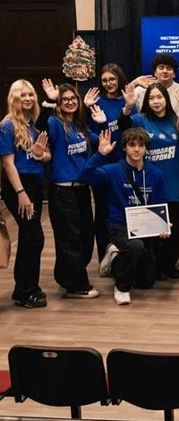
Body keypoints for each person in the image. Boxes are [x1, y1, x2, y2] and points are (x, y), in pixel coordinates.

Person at [77, 128, 169, 305]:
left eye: (141, 145)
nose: (137, 149)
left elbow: (160, 203)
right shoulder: (113, 170)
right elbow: (83, 177)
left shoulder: (155, 174)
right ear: (125, 148)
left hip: (145, 226)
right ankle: (122, 288)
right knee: (135, 246)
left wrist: (163, 226)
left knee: (145, 282)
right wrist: (100, 154)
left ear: (146, 148)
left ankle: (114, 257)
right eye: (132, 145)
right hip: (119, 225)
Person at [119, 82, 179, 279]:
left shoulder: (176, 121)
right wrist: (128, 107)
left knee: (173, 227)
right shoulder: (140, 119)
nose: (156, 101)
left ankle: (170, 265)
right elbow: (123, 127)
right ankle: (153, 266)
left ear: (166, 99)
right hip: (147, 184)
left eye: (159, 97)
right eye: (151, 98)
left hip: (173, 184)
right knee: (151, 227)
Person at [42, 81, 106, 299]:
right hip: (63, 191)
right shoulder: (55, 123)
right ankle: (76, 285)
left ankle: (67, 276)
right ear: (59, 103)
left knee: (86, 236)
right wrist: (49, 101)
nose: (69, 102)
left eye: (73, 99)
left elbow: (102, 143)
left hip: (82, 190)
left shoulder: (80, 126)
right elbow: (42, 128)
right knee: (70, 238)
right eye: (64, 99)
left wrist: (102, 124)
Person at [0, 80, 51, 308]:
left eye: (31, 94)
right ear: (14, 98)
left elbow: (46, 156)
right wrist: (21, 192)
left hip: (35, 184)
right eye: (23, 95)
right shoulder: (7, 126)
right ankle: (25, 290)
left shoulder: (34, 125)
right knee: (33, 236)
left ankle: (27, 287)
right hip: (18, 187)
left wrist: (40, 154)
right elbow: (8, 163)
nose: (28, 98)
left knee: (31, 236)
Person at [83, 63, 135, 262]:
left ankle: (127, 254)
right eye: (104, 80)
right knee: (103, 212)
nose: (108, 83)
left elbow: (133, 130)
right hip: (103, 165)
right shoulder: (96, 102)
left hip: (125, 164)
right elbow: (86, 132)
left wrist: (128, 107)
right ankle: (105, 257)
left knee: (125, 209)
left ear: (119, 79)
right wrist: (101, 140)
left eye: (112, 79)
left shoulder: (128, 101)